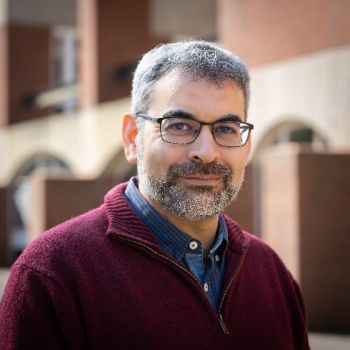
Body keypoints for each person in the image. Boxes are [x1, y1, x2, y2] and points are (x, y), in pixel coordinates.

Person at [0, 41, 310, 349]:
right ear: (133, 138)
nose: (206, 152)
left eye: (226, 129)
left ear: (246, 144)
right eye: (179, 126)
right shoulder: (52, 273)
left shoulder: (272, 273)